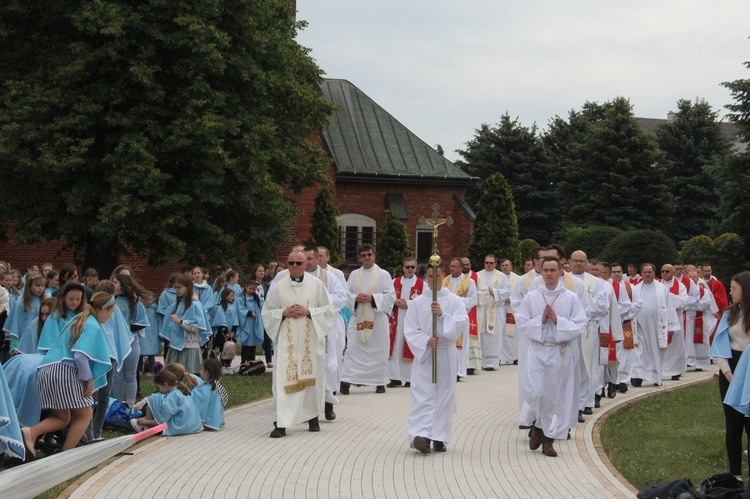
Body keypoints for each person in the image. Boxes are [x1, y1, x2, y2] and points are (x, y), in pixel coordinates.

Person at [21, 292, 114, 456]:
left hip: (47, 369)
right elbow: (79, 355)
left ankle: (31, 432)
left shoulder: (77, 319)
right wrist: (89, 379)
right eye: (111, 312)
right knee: (85, 414)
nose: (110, 317)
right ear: (104, 309)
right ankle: (67, 454)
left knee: (62, 418)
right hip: (65, 371)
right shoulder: (91, 325)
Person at [515, 257, 587, 458]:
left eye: (553, 270)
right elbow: (521, 322)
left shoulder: (571, 297)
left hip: (559, 351)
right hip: (538, 350)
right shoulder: (532, 296)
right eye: (545, 270)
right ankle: (537, 425)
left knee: (555, 397)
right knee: (536, 392)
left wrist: (558, 320)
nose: (549, 274)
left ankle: (548, 440)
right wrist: (541, 320)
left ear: (560, 272)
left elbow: (580, 324)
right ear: (541, 271)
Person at [261, 250, 334, 438]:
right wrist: (283, 313)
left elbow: (328, 310)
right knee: (284, 381)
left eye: (298, 263)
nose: (294, 266)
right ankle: (282, 424)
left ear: (305, 265)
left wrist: (308, 311)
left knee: (312, 381)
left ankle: (312, 417)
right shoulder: (278, 286)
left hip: (309, 343)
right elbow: (267, 312)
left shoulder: (317, 285)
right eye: (291, 263)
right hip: (288, 344)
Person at [406, 263, 468, 454]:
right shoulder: (417, 303)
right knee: (423, 394)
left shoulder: (454, 300)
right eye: (431, 276)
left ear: (444, 276)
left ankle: (439, 436)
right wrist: (425, 340)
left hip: (445, 352)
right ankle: (421, 435)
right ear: (425, 276)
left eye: (438, 276)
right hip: (426, 354)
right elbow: (409, 329)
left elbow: (460, 323)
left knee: (444, 395)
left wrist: (442, 314)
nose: (435, 279)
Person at [710, 271, 750, 486]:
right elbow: (719, 347)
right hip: (731, 368)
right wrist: (728, 374)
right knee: (733, 425)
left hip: (749, 369)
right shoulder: (729, 314)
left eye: (734, 288)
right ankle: (735, 475)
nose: (730, 292)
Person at [340, 244, 396, 394]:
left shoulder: (384, 274)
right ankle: (346, 382)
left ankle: (379, 382)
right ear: (360, 257)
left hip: (376, 319)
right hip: (358, 317)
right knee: (352, 349)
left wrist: (372, 298)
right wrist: (356, 298)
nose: (366, 258)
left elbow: (391, 297)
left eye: (369, 254)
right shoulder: (353, 275)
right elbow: (346, 294)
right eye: (363, 255)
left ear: (374, 255)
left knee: (379, 350)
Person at [302, 246, 348, 421]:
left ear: (318, 259)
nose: (307, 263)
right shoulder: (298, 278)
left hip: (327, 325)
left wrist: (318, 306)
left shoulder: (331, 277)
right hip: (305, 325)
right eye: (304, 259)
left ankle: (328, 406)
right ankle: (308, 408)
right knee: (308, 364)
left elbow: (342, 297)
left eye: (311, 259)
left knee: (328, 366)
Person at [630, 264, 681, 387]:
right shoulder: (635, 289)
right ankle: (637, 376)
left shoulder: (662, 289)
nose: (647, 274)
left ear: (654, 273)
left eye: (649, 272)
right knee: (638, 351)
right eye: (645, 272)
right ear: (641, 274)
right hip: (639, 326)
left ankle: (654, 376)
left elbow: (669, 307)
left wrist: (671, 326)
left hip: (656, 326)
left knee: (655, 351)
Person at [159, 275, 211, 374]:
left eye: (179, 287)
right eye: (175, 287)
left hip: (189, 348)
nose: (176, 290)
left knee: (188, 377)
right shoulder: (175, 305)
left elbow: (198, 328)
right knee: (173, 376)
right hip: (175, 346)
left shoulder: (196, 305)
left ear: (188, 287)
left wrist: (181, 322)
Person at [112, 273, 150, 406]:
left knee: (130, 375)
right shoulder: (112, 301)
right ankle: (116, 405)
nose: (113, 284)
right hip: (115, 343)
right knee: (116, 377)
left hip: (132, 342)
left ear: (123, 285)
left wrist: (126, 327)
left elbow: (143, 322)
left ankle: (130, 405)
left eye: (116, 282)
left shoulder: (135, 302)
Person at [130, 369, 203, 436]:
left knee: (135, 421)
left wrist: (146, 422)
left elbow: (162, 420)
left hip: (181, 426)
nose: (159, 391)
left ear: (165, 384)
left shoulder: (172, 396)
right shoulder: (180, 390)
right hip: (192, 426)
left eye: (158, 388)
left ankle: (147, 428)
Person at [388, 257, 424, 387]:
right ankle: (395, 377)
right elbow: (387, 297)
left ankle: (409, 378)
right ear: (403, 268)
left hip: (412, 320)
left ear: (416, 269)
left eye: (412, 267)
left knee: (410, 345)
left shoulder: (422, 284)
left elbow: (424, 302)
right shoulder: (394, 282)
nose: (409, 269)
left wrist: (408, 303)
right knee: (395, 346)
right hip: (395, 319)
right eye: (407, 267)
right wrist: (394, 302)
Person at [442, 257, 476, 378]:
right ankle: (447, 370)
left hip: (460, 317)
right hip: (445, 316)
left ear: (461, 268)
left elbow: (473, 300)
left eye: (454, 266)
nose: (451, 268)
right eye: (450, 266)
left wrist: (456, 301)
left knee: (460, 346)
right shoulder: (444, 281)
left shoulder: (469, 282)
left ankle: (458, 371)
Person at [37, 282, 87, 354]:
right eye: (71, 299)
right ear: (63, 298)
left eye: (78, 299)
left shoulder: (83, 316)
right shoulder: (54, 317)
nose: (75, 302)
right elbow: (50, 344)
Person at [191, 356, 227, 430]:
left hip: (208, 422)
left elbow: (199, 401)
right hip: (216, 420)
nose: (200, 371)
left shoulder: (207, 389)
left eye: (201, 369)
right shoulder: (215, 386)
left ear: (207, 372)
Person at [237, 281, 265, 366]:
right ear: (246, 287)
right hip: (246, 324)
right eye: (250, 288)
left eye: (254, 289)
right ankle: (243, 363)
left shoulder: (256, 299)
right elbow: (239, 310)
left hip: (254, 324)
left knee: (253, 345)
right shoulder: (241, 299)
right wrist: (249, 313)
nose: (252, 290)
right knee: (245, 344)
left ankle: (251, 363)